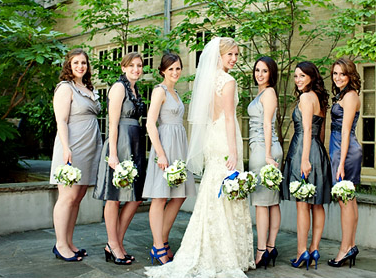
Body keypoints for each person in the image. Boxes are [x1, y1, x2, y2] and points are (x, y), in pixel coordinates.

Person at [145, 37, 255, 277]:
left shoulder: (206, 81)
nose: (234, 59)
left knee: (213, 190)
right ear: (219, 56)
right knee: (225, 189)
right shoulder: (228, 81)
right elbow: (228, 117)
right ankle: (224, 251)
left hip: (212, 138)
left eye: (236, 55)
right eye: (230, 55)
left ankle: (210, 245)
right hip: (224, 138)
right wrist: (235, 151)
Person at [142, 52, 196, 265]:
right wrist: (161, 154)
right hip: (164, 145)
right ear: (163, 70)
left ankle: (162, 239)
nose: (175, 72)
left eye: (178, 68)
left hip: (179, 145)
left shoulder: (176, 93)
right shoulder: (160, 90)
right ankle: (157, 245)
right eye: (171, 68)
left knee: (179, 195)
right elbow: (149, 123)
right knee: (160, 196)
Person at [93, 52, 146, 265]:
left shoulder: (135, 89)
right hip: (120, 143)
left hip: (135, 143)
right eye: (131, 65)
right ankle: (114, 245)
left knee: (136, 197)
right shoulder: (118, 88)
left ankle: (116, 242)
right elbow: (112, 123)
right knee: (114, 197)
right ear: (123, 67)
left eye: (139, 65)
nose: (136, 69)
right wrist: (113, 153)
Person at [50, 49, 102, 261]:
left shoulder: (87, 88)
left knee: (77, 198)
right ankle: (60, 244)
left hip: (90, 148)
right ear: (69, 66)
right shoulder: (65, 88)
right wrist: (66, 147)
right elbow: (61, 120)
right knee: (67, 197)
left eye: (84, 63)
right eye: (76, 63)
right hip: (73, 146)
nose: (80, 66)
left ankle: (69, 242)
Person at [281, 62, 331, 270]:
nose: (298, 80)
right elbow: (321, 133)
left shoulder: (305, 97)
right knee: (316, 204)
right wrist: (318, 156)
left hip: (304, 150)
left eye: (302, 76)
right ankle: (314, 248)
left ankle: (302, 251)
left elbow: (308, 129)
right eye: (295, 76)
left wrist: (304, 160)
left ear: (311, 77)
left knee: (303, 204)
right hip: (317, 151)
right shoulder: (319, 99)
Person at [247, 56, 283, 269]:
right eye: (257, 70)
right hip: (263, 149)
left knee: (262, 202)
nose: (259, 74)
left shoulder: (268, 93)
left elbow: (268, 125)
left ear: (272, 74)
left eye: (264, 71)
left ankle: (262, 250)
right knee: (272, 201)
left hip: (264, 150)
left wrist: (268, 155)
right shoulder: (261, 92)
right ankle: (270, 247)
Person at [328, 57, 362, 268]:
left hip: (345, 152)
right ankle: (351, 244)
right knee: (350, 202)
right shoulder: (343, 94)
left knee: (345, 202)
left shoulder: (350, 96)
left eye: (342, 73)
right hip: (340, 150)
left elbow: (346, 130)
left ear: (350, 75)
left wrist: (340, 162)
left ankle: (344, 249)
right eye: (335, 73)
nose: (338, 77)